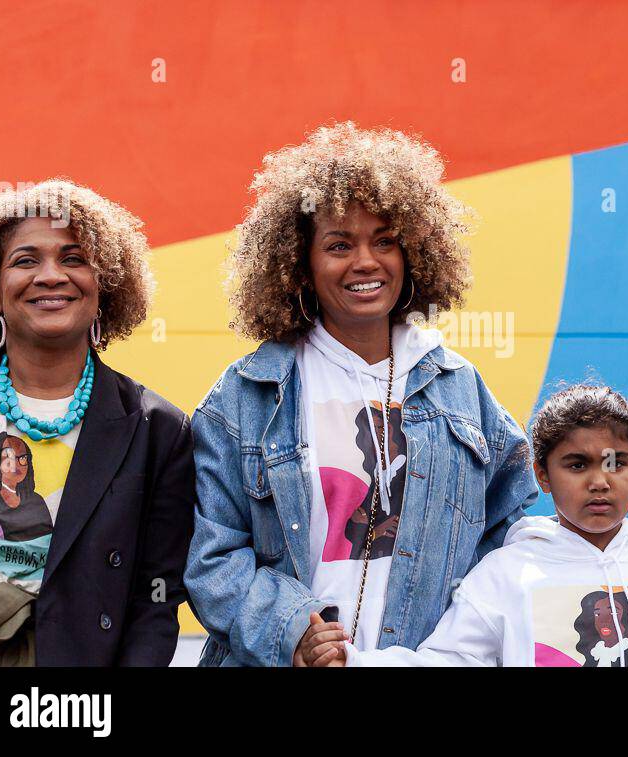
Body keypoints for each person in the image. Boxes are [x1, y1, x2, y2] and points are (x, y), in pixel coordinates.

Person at [184, 122, 539, 666]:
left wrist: (458, 641)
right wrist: (291, 632)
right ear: (300, 264)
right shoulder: (248, 394)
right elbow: (213, 559)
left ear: (413, 252)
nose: (365, 262)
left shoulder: (458, 388)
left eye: (385, 241)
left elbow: (510, 531)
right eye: (338, 245)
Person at [301, 383, 628, 667]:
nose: (599, 481)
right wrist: (354, 661)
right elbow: (449, 662)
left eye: (617, 463)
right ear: (542, 475)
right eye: (576, 464)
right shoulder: (507, 573)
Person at [0, 180, 195, 666]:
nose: (51, 276)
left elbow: (157, 596)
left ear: (105, 286)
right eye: (25, 260)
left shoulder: (158, 430)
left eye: (73, 259)